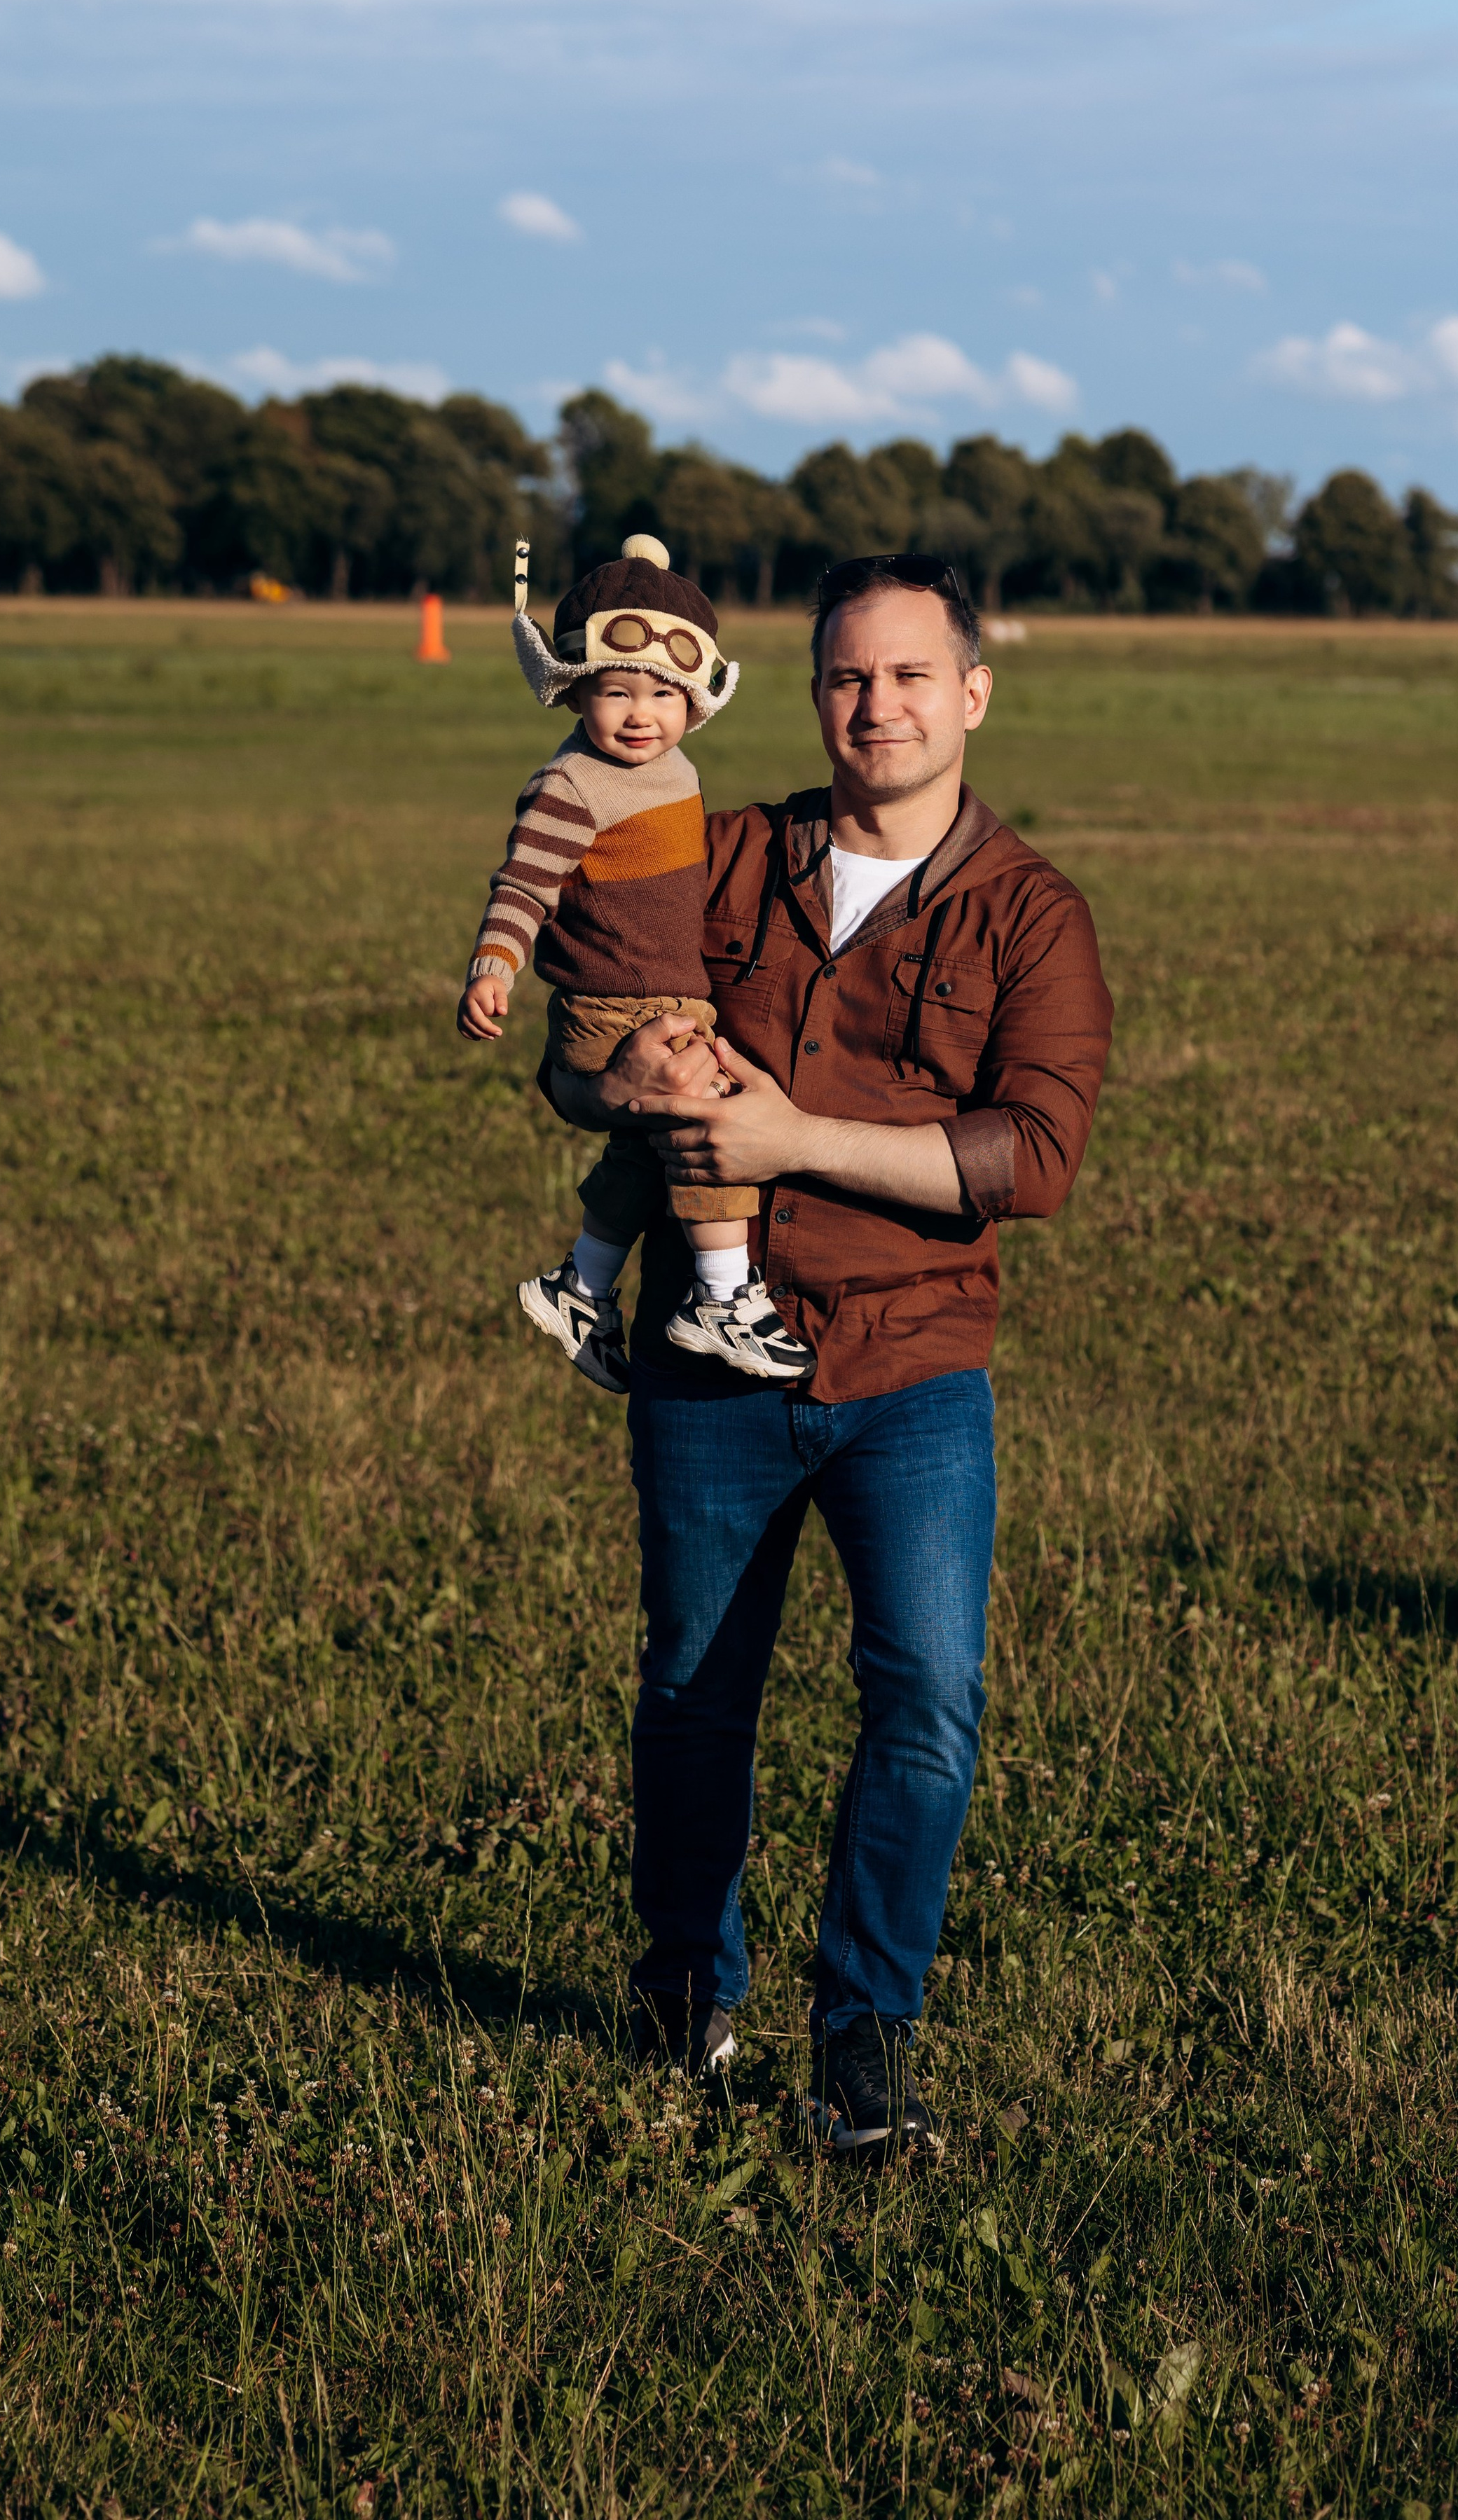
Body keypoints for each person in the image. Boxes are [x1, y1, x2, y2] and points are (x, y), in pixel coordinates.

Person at [549, 552, 1113, 2155]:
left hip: (910, 1368)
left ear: (973, 693)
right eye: (845, 678)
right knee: (690, 1688)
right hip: (706, 1357)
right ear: (810, 694)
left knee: (925, 1698)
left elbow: (1032, 1158)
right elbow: (571, 1055)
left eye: (909, 676)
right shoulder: (716, 852)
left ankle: (861, 2041)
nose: (875, 706)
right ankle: (680, 1986)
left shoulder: (1030, 913)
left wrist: (799, 1133)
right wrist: (622, 1085)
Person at [456, 534, 813, 1387]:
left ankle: (581, 1284)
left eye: (663, 693)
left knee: (642, 1154)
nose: (639, 713)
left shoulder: (674, 769)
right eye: (615, 691)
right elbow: (522, 884)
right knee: (709, 1121)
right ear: (577, 693)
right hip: (613, 1005)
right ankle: (722, 1297)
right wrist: (495, 964)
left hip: (660, 1000)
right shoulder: (571, 786)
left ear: (694, 704)